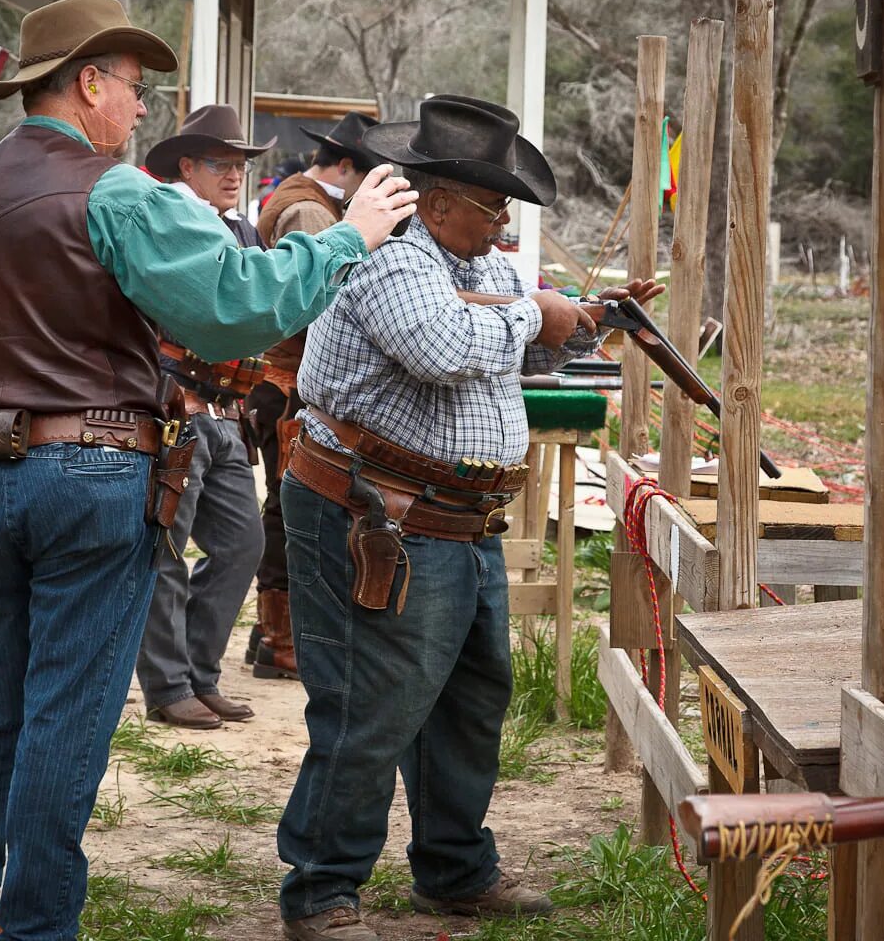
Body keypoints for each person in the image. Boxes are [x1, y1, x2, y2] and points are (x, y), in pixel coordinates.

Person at [0, 0, 415, 941]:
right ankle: (38, 928)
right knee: (65, 719)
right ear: (87, 84)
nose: (143, 110)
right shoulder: (115, 192)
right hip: (96, 476)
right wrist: (349, 235)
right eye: (135, 88)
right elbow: (236, 307)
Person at [275, 95, 662, 941]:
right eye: (494, 206)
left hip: (453, 516)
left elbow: (517, 339)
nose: (503, 222)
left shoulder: (480, 265)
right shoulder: (388, 259)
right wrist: (539, 312)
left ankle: (454, 870)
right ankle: (321, 890)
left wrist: (584, 319)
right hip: (376, 510)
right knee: (370, 704)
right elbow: (448, 350)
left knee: (469, 699)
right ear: (440, 201)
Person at [134, 105, 277, 729]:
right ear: (187, 165)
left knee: (243, 544)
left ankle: (200, 674)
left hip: (226, 412)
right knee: (165, 548)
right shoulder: (160, 224)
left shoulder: (243, 230)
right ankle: (168, 687)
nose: (235, 174)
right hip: (174, 409)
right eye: (223, 163)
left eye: (241, 164)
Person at [242, 111, 384, 680]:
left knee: (285, 507)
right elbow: (310, 297)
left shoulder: (308, 201)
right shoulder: (307, 210)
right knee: (285, 508)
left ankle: (268, 635)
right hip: (287, 382)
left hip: (287, 381)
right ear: (347, 165)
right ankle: (280, 641)